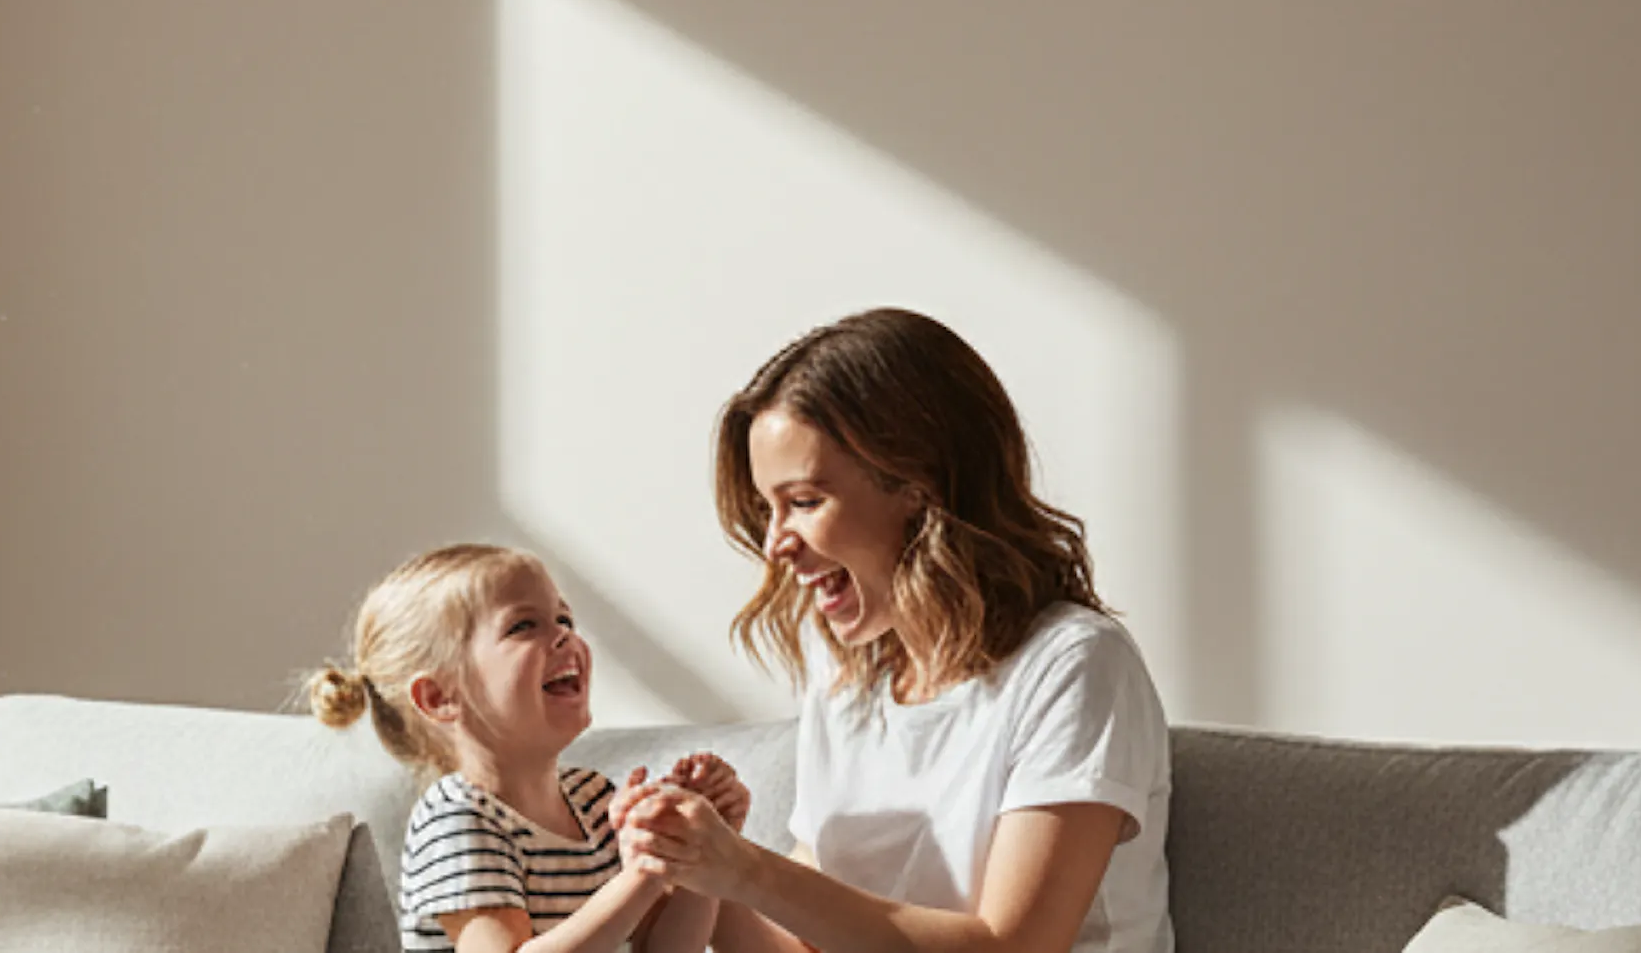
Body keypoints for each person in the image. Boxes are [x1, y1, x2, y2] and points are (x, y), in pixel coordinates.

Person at [618, 309, 1173, 953]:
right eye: (769, 509)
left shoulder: (1075, 665)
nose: (775, 545)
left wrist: (745, 870)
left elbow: (1014, 947)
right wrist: (695, 869)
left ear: (919, 485)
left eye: (804, 502)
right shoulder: (847, 675)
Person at [311, 543, 752, 953]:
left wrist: (693, 852)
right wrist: (639, 874)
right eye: (523, 625)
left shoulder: (594, 800)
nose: (564, 636)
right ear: (440, 698)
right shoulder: (456, 821)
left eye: (565, 620)